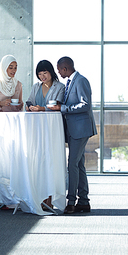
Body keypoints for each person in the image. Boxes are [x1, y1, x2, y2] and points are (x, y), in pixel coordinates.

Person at [49, 56, 97, 214]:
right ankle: (83, 201)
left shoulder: (81, 81)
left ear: (65, 68)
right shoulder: (69, 82)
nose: (58, 72)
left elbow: (85, 104)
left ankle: (71, 201)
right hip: (74, 129)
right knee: (79, 165)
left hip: (80, 129)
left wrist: (63, 108)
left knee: (72, 165)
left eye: (59, 69)